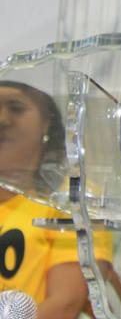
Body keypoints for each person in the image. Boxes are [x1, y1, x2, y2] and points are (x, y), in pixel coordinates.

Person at [0, 80, 113, 319]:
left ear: (46, 122)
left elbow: (65, 304)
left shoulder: (72, 200)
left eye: (16, 108)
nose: (2, 120)